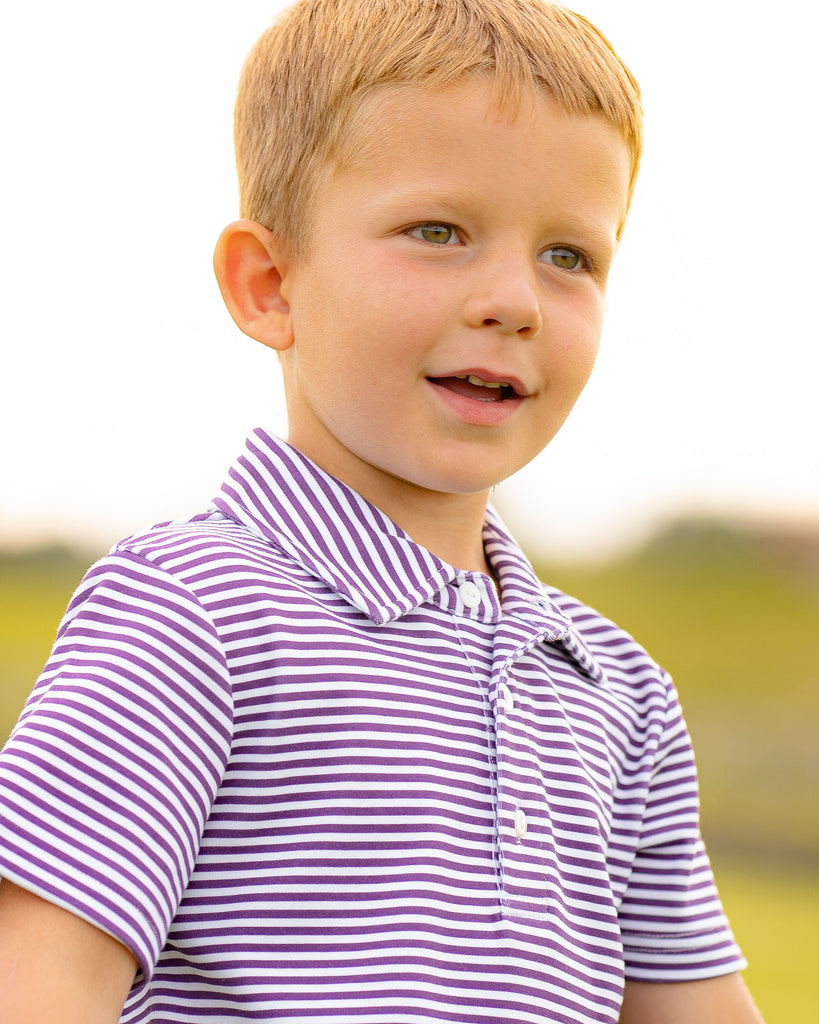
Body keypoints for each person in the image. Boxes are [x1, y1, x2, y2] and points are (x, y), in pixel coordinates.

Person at [0, 1, 764, 1021]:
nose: (518, 300)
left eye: (569, 256)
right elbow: (37, 981)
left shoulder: (621, 695)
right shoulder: (192, 613)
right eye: (438, 232)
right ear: (270, 284)